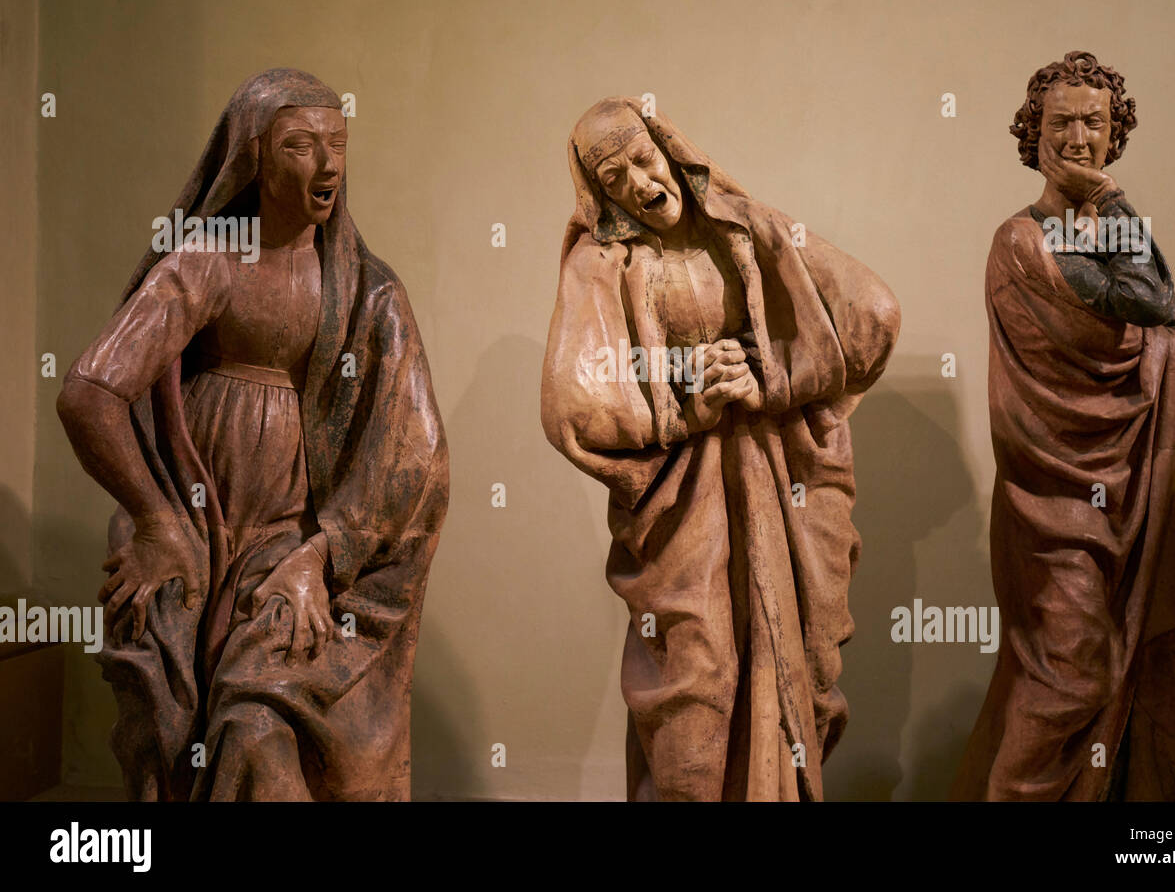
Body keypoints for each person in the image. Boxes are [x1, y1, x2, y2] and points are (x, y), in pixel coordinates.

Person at [57, 68, 449, 801]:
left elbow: (416, 458)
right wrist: (155, 518)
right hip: (198, 531)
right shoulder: (209, 261)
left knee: (258, 724)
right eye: (301, 145)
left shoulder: (368, 291)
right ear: (255, 157)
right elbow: (88, 393)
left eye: (337, 143)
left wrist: (321, 554)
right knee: (162, 708)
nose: (328, 163)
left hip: (293, 544)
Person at [542, 97, 900, 800]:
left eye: (642, 162)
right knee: (695, 686)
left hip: (780, 482)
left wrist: (771, 374)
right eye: (613, 180)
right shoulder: (601, 261)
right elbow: (573, 401)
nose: (639, 186)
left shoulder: (744, 224)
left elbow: (872, 312)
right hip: (686, 508)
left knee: (803, 664)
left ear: (669, 148)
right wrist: (679, 406)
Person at [952, 52, 1175, 801]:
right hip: (1057, 496)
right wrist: (1118, 206)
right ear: (1032, 132)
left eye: (1094, 122)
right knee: (1068, 673)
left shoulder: (1115, 236)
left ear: (1114, 135)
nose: (1077, 136)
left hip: (1147, 482)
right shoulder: (1021, 243)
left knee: (1144, 667)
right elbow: (1142, 306)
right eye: (1060, 120)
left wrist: (1116, 211)